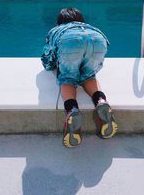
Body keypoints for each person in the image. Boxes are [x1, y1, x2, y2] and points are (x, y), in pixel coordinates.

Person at [41, 8, 118, 148]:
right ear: (80, 19)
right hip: (98, 40)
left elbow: (48, 56)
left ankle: (72, 110)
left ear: (60, 21)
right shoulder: (89, 27)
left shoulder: (57, 30)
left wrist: (51, 65)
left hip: (69, 42)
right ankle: (100, 101)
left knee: (68, 79)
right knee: (88, 76)